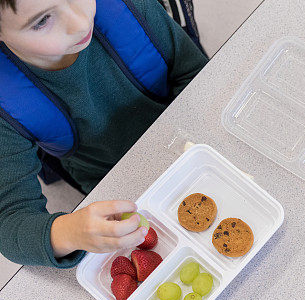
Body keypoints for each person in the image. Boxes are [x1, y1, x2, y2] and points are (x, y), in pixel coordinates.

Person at [0, 0, 207, 267]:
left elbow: (195, 73)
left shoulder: (126, 6)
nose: (80, 22)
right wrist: (70, 232)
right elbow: (10, 221)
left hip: (192, 140)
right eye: (42, 21)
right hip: (117, 185)